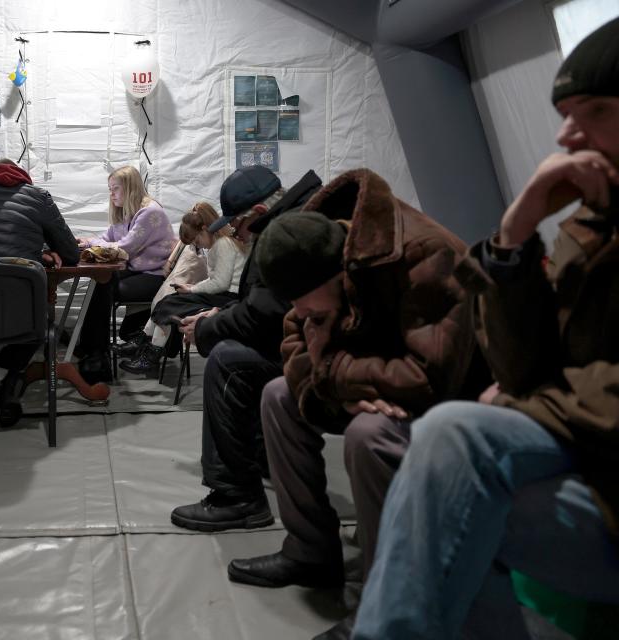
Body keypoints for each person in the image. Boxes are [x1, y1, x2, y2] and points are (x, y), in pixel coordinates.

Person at [352, 18, 619, 639]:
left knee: (448, 448)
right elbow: (524, 366)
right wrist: (513, 236)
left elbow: (493, 380)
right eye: (564, 113)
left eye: (598, 110)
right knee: (437, 470)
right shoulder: (594, 226)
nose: (566, 134)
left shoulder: (413, 261)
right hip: (589, 464)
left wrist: (527, 403)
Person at [229, 169, 487, 639]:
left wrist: (333, 369)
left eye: (314, 312)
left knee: (371, 436)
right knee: (277, 395)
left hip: (455, 399)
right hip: (377, 376)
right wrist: (338, 371)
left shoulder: (426, 255)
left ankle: (389, 600)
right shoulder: (313, 259)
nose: (304, 318)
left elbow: (429, 377)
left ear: (343, 275)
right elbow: (294, 343)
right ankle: (310, 551)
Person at [169, 167, 321, 532]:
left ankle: (236, 495)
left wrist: (208, 328)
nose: (234, 233)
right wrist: (222, 315)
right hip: (315, 345)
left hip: (322, 356)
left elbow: (267, 315)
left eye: (236, 225)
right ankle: (262, 455)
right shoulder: (298, 218)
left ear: (256, 212)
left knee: (227, 360)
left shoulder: (285, 233)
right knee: (234, 347)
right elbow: (271, 305)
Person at [0, 158, 80, 426]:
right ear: (23, 178)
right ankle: (11, 378)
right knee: (40, 321)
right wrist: (40, 252)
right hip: (22, 318)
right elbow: (70, 253)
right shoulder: (39, 197)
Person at [120, 201, 247, 374]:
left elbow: (220, 283)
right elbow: (216, 281)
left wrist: (192, 289)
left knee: (170, 304)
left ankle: (150, 352)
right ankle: (146, 343)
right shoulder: (219, 245)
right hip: (223, 294)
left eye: (197, 240)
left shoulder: (223, 244)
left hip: (228, 298)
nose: (198, 245)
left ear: (204, 229)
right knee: (167, 301)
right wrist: (192, 287)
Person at [75, 166, 175, 383]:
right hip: (137, 269)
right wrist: (91, 241)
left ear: (129, 188)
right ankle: (93, 348)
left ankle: (94, 350)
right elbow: (108, 237)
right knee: (100, 283)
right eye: (110, 189)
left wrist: (92, 242)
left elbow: (124, 248)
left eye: (115, 189)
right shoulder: (126, 211)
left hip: (155, 274)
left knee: (105, 287)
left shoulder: (150, 212)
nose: (111, 194)